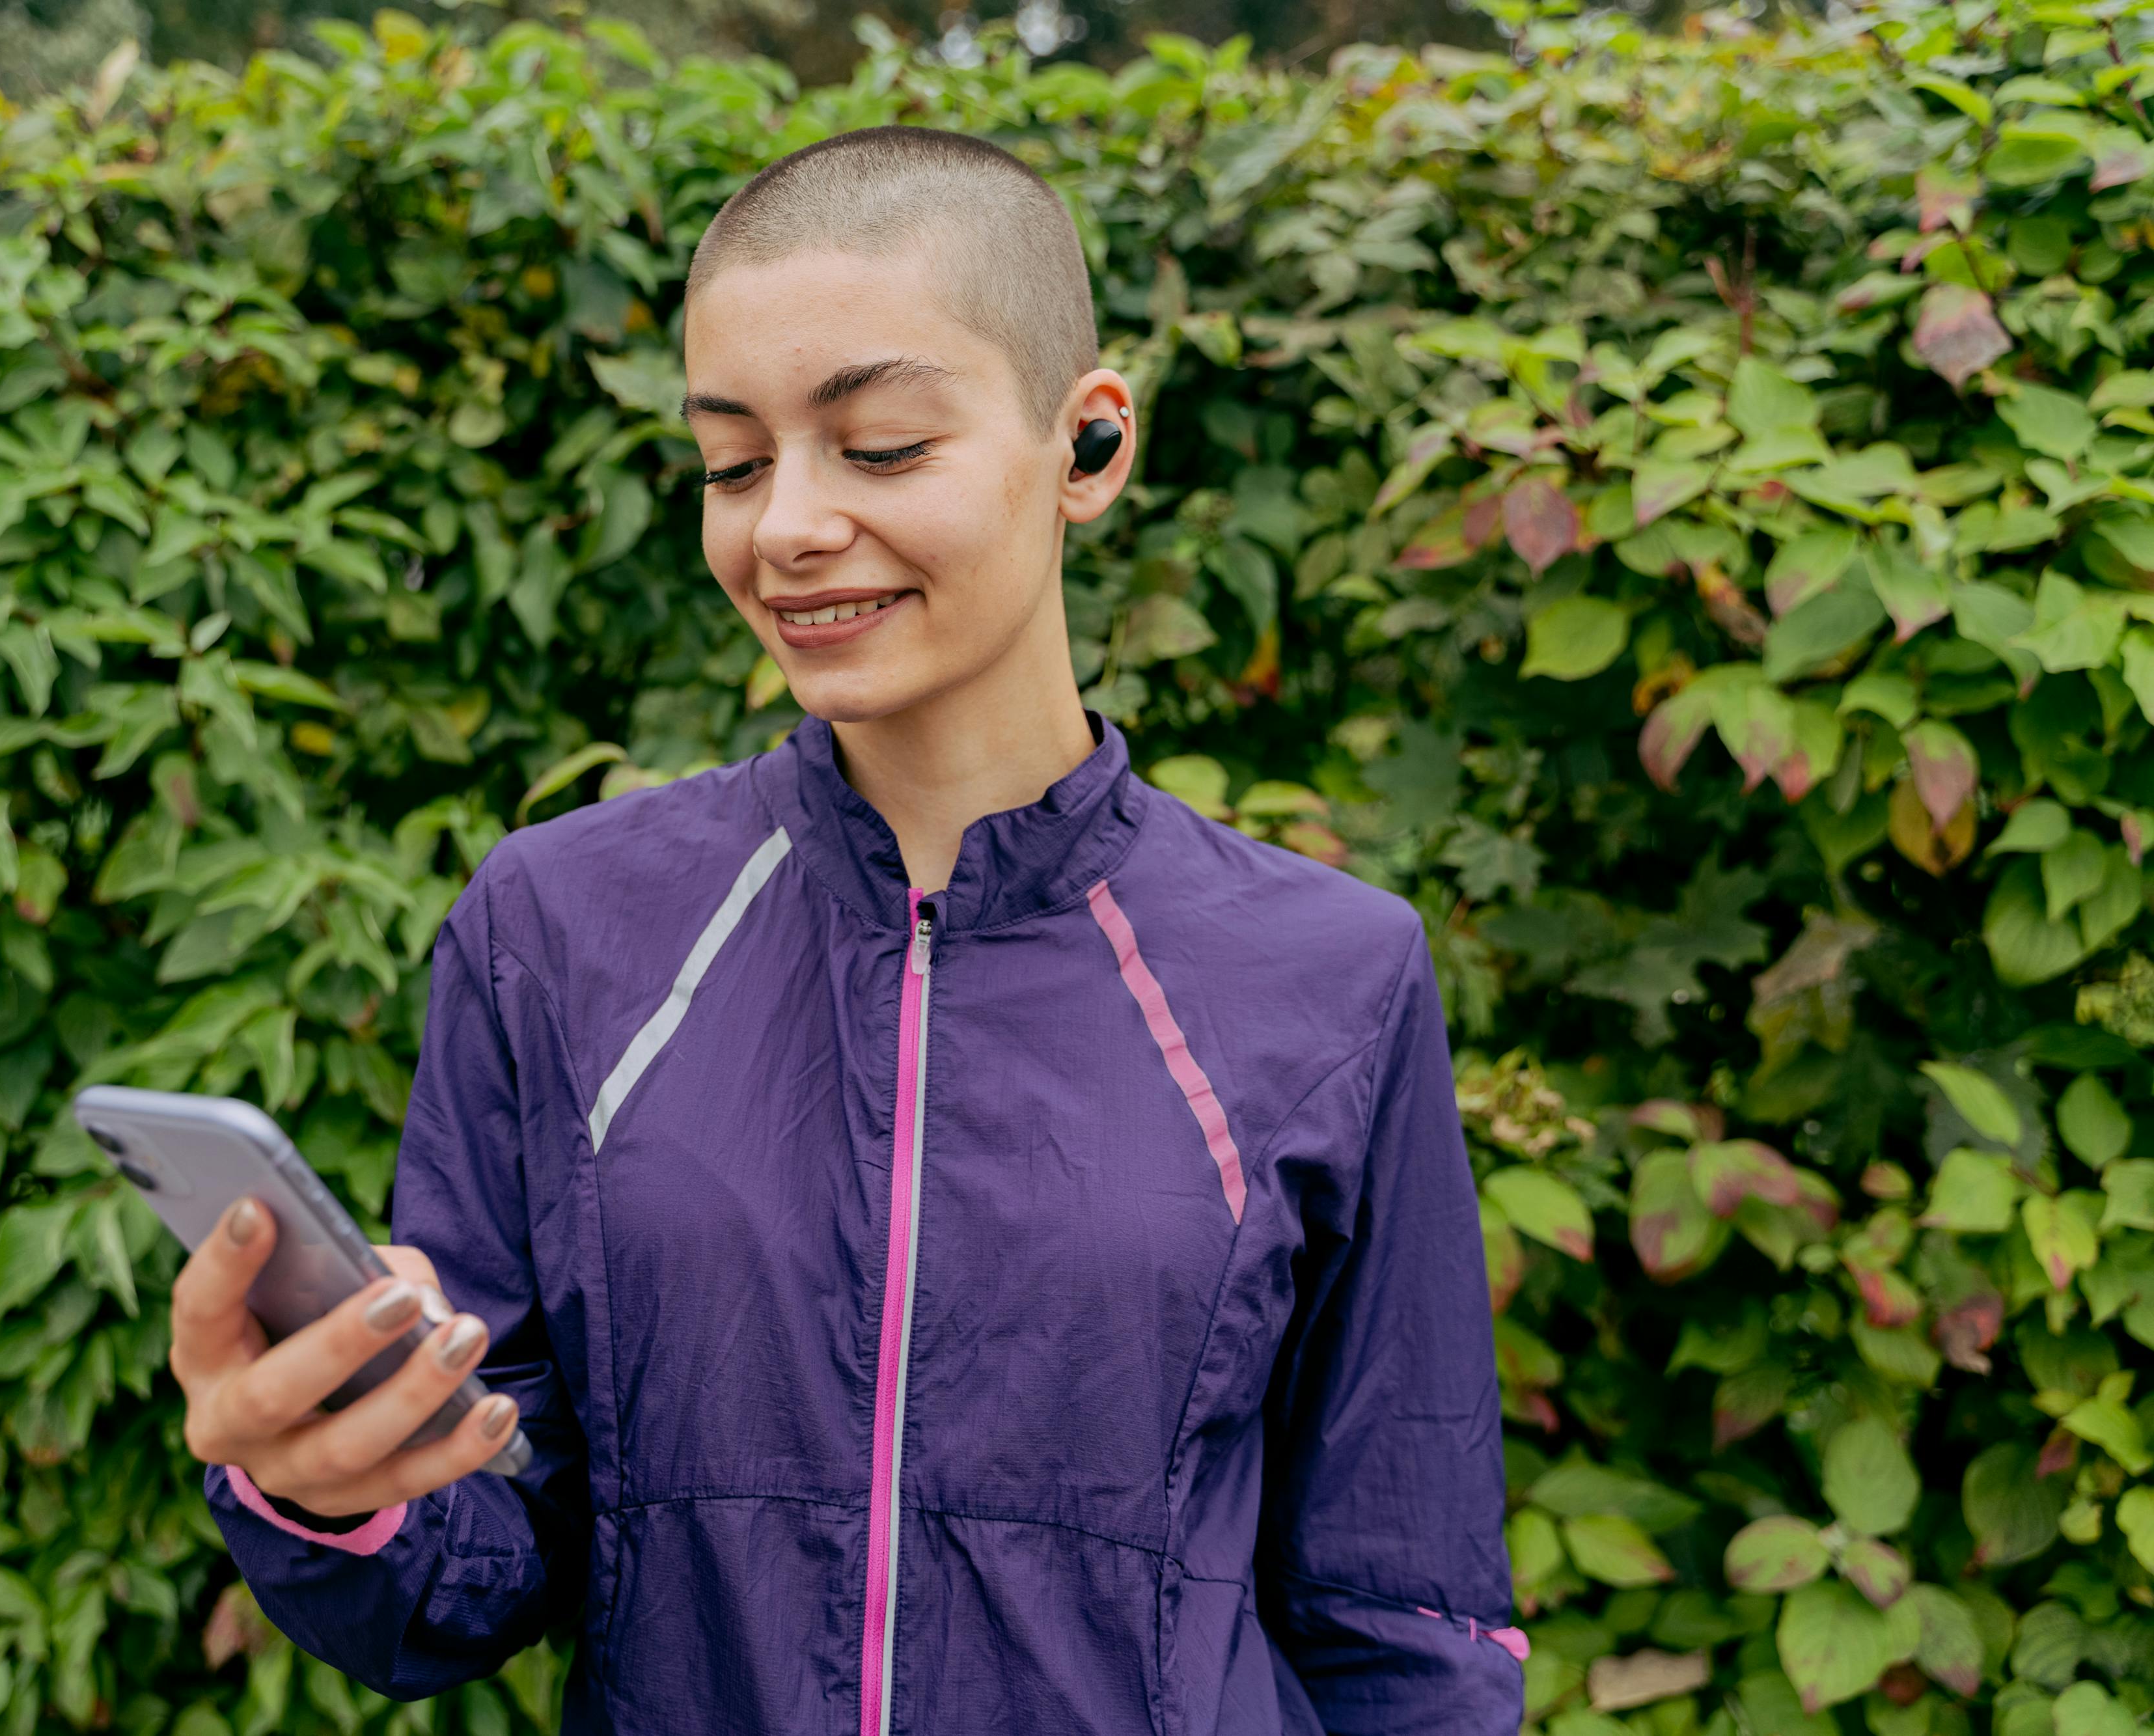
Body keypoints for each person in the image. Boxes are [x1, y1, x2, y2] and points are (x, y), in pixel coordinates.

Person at [166, 125, 1522, 1734]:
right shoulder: (557, 925)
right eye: (733, 463)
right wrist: (332, 1486)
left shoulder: (1331, 974)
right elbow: (485, 1551)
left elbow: (1408, 1624)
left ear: (1086, 445)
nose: (785, 528)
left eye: (875, 445)